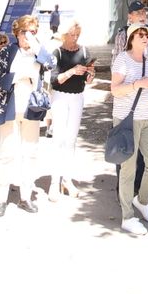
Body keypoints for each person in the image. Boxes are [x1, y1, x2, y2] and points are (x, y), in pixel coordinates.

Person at [111, 23, 148, 235]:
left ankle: (142, 200)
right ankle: (127, 217)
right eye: (140, 35)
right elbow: (114, 90)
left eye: (147, 35)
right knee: (128, 168)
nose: (145, 38)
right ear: (131, 38)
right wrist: (136, 84)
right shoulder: (122, 60)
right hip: (127, 119)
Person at [0, 14, 47, 215]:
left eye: (33, 32)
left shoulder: (37, 52)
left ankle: (25, 197)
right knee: (7, 153)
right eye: (26, 32)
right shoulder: (7, 51)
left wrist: (38, 49)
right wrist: (18, 77)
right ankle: (1, 199)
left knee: (30, 153)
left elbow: (51, 63)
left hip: (31, 108)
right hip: (10, 108)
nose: (30, 36)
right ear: (18, 33)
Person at [48, 20, 93, 199]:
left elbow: (88, 78)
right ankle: (54, 182)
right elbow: (53, 79)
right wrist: (72, 71)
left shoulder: (84, 51)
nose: (74, 39)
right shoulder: (57, 52)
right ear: (64, 35)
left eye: (77, 35)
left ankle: (67, 180)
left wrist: (90, 75)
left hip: (77, 97)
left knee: (71, 139)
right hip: (60, 97)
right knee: (58, 138)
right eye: (71, 35)